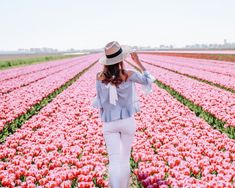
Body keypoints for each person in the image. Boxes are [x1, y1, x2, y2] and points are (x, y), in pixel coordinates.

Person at [92, 41, 155, 188]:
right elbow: (148, 80)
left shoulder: (99, 77)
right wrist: (138, 62)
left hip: (109, 123)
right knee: (125, 159)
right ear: (121, 59)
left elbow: (99, 100)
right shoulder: (129, 74)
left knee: (114, 160)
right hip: (127, 121)